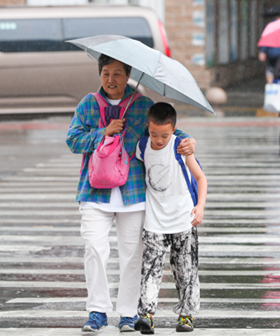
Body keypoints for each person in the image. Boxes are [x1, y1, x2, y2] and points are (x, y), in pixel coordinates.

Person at [66, 55, 196, 333]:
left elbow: (164, 132)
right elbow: (73, 140)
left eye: (117, 74)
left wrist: (187, 141)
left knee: (132, 255)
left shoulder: (142, 105)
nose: (110, 80)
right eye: (105, 73)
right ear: (99, 74)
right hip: (93, 192)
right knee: (94, 249)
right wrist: (103, 132)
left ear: (128, 76)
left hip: (133, 192)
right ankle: (97, 311)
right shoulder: (88, 104)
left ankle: (127, 313)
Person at [133, 102, 207, 334]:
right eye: (154, 133)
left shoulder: (180, 147)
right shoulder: (142, 146)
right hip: (154, 221)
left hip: (183, 220)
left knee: (185, 269)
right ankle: (146, 315)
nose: (158, 140)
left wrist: (200, 206)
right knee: (150, 269)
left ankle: (186, 316)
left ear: (174, 129)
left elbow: (201, 178)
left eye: (164, 135)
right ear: (148, 128)